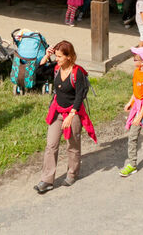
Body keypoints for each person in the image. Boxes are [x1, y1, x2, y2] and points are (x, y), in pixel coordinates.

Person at [35, 41, 96, 193]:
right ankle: (47, 180)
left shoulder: (77, 72)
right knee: (51, 145)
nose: (57, 59)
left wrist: (71, 115)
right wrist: (46, 55)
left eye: (60, 56)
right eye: (56, 56)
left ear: (69, 57)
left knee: (72, 145)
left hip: (73, 112)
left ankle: (73, 173)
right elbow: (39, 73)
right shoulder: (56, 69)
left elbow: (80, 95)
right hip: (57, 111)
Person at [119, 46, 143, 177]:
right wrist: (130, 102)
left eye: (135, 58)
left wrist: (140, 115)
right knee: (133, 137)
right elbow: (136, 92)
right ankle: (132, 164)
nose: (133, 60)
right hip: (137, 107)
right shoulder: (136, 72)